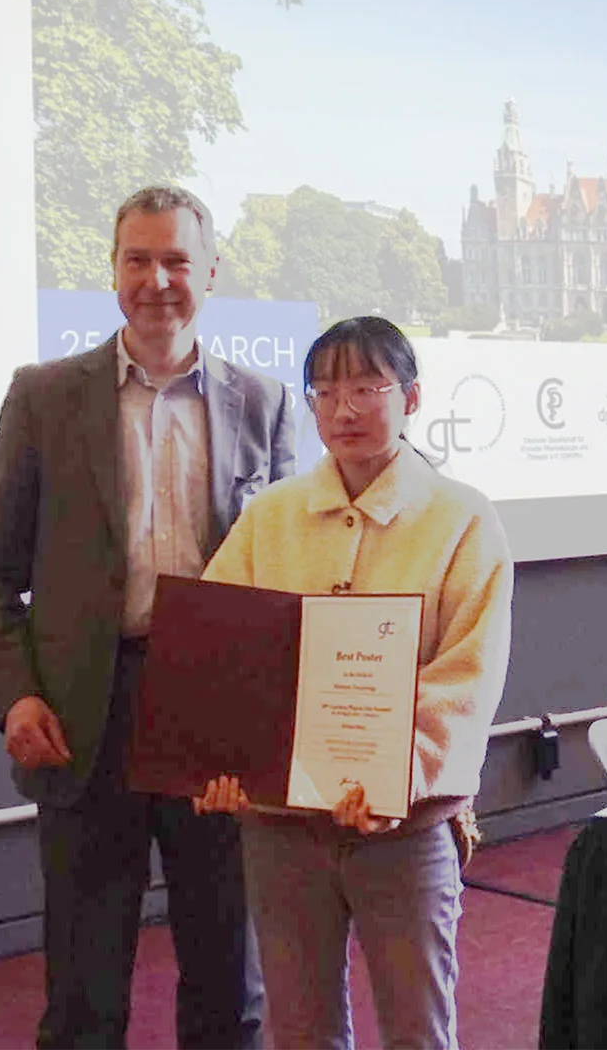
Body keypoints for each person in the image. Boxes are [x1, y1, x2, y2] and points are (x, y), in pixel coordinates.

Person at [0, 184, 294, 1049]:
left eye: (176, 260)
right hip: (82, 716)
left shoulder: (265, 403)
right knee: (83, 988)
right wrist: (16, 696)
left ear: (210, 273)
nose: (158, 280)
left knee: (228, 974)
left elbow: (296, 577)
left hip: (217, 719)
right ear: (112, 272)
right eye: (138, 259)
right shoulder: (43, 397)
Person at [196, 315, 514, 1049]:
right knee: (298, 1031)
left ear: (411, 397)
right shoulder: (269, 517)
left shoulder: (461, 519)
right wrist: (220, 761)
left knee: (416, 1029)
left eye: (368, 386)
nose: (344, 408)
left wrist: (398, 773)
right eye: (326, 390)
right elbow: (217, 654)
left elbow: (467, 671)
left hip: (404, 825)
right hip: (280, 826)